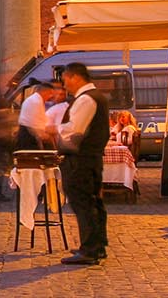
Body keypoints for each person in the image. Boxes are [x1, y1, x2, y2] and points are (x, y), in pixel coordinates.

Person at [56, 61, 111, 266]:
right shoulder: (96, 97)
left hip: (81, 159)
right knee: (93, 202)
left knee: (83, 203)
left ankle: (89, 249)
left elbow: (75, 129)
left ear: (75, 77)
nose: (64, 86)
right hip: (90, 158)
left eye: (66, 80)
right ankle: (97, 245)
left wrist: (54, 129)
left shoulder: (86, 99)